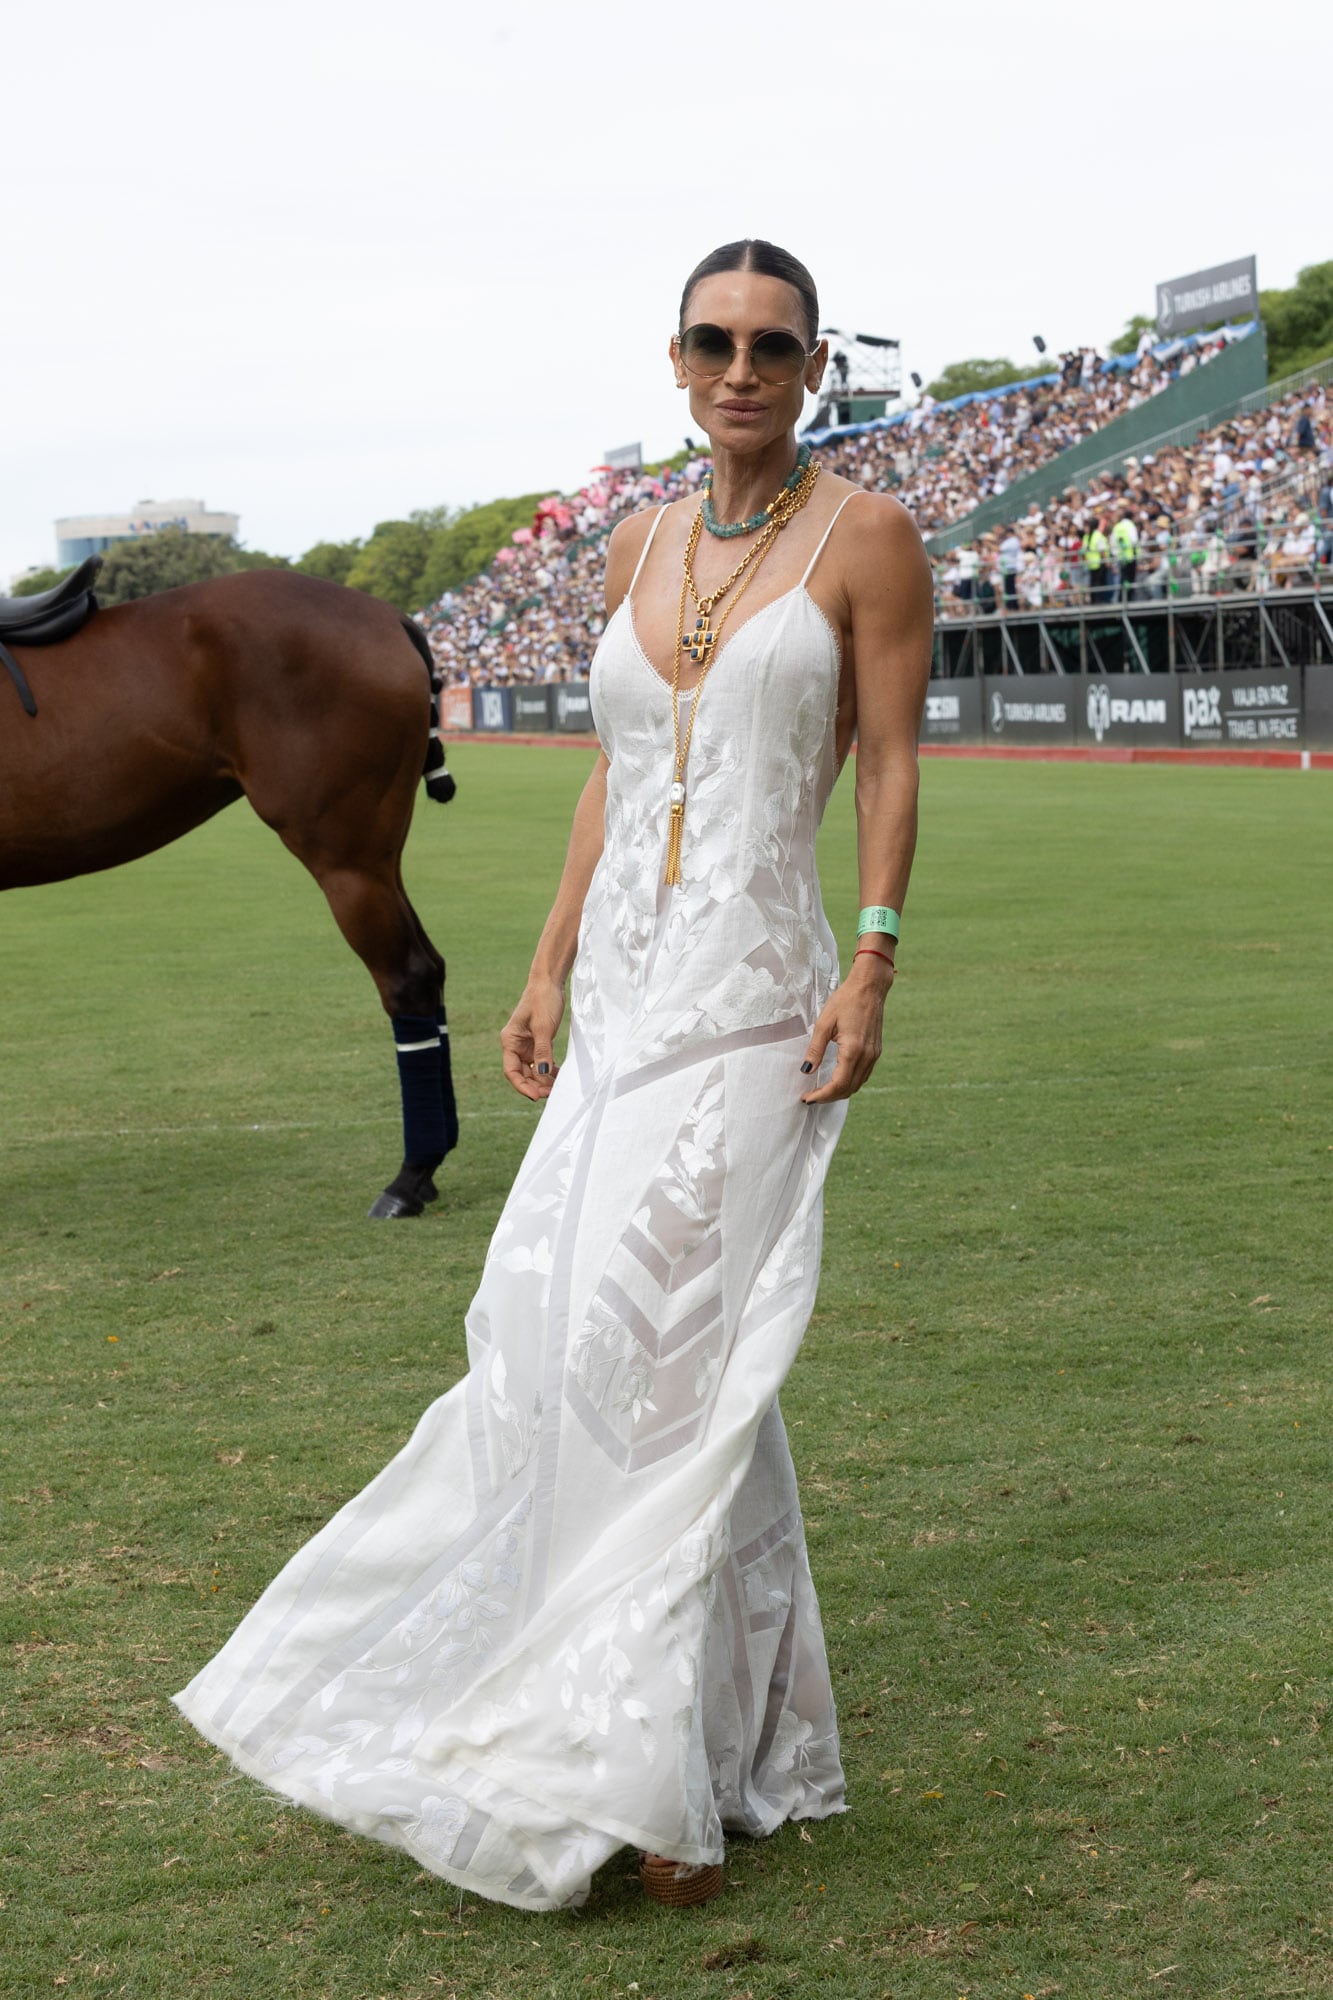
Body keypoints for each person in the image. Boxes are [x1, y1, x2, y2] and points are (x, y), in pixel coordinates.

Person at [172, 238, 933, 1915]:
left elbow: (885, 756)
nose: (742, 367)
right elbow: (615, 767)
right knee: (585, 1341)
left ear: (816, 369)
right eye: (712, 339)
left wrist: (874, 952)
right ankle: (734, 1729)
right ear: (673, 359)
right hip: (620, 1008)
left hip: (754, 1007)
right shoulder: (635, 542)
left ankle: (645, 1771)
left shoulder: (866, 535)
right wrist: (541, 960)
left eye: (775, 345)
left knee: (645, 1350)